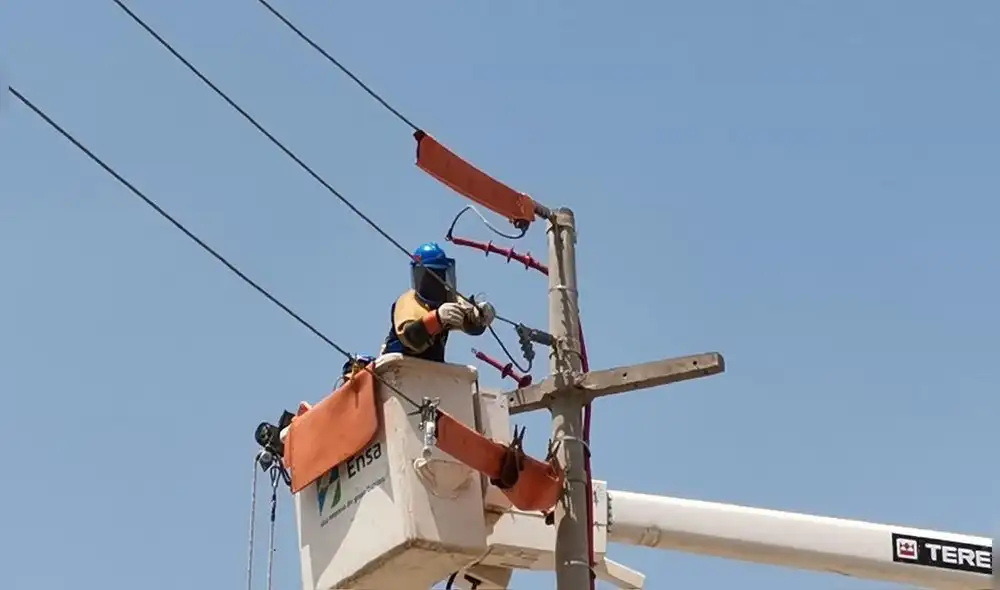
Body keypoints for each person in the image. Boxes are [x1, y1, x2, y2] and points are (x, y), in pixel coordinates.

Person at [380, 242, 495, 362]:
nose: (435, 281)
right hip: (397, 367)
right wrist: (437, 318)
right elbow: (411, 337)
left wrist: (480, 316)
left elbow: (470, 324)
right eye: (430, 276)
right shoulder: (408, 301)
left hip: (430, 371)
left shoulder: (449, 299)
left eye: (440, 274)